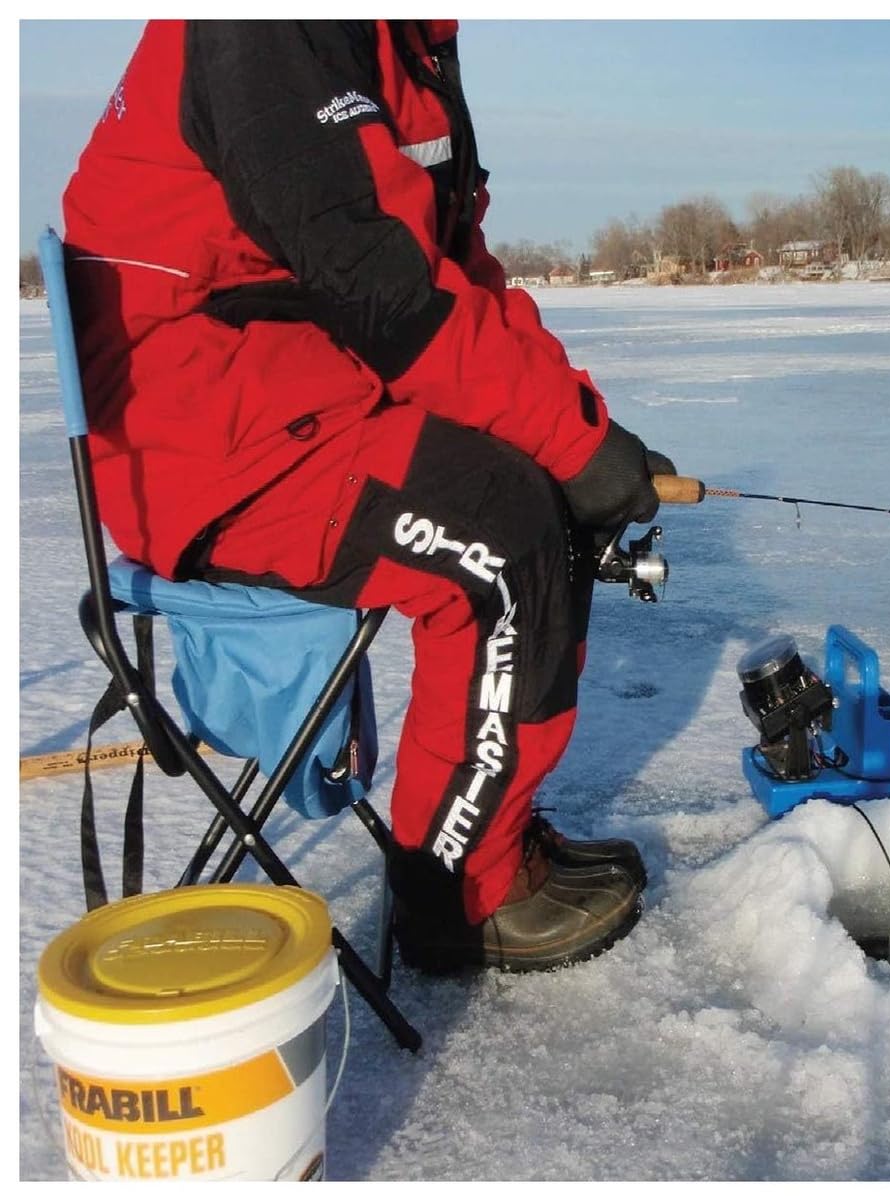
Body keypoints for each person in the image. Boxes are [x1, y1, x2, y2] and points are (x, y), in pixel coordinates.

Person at [62, 19, 673, 972]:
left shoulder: (406, 44)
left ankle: (489, 831)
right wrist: (571, 448)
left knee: (539, 493)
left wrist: (582, 431)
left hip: (293, 394)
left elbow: (454, 271)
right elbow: (382, 286)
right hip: (202, 441)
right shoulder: (263, 31)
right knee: (502, 537)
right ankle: (458, 892)